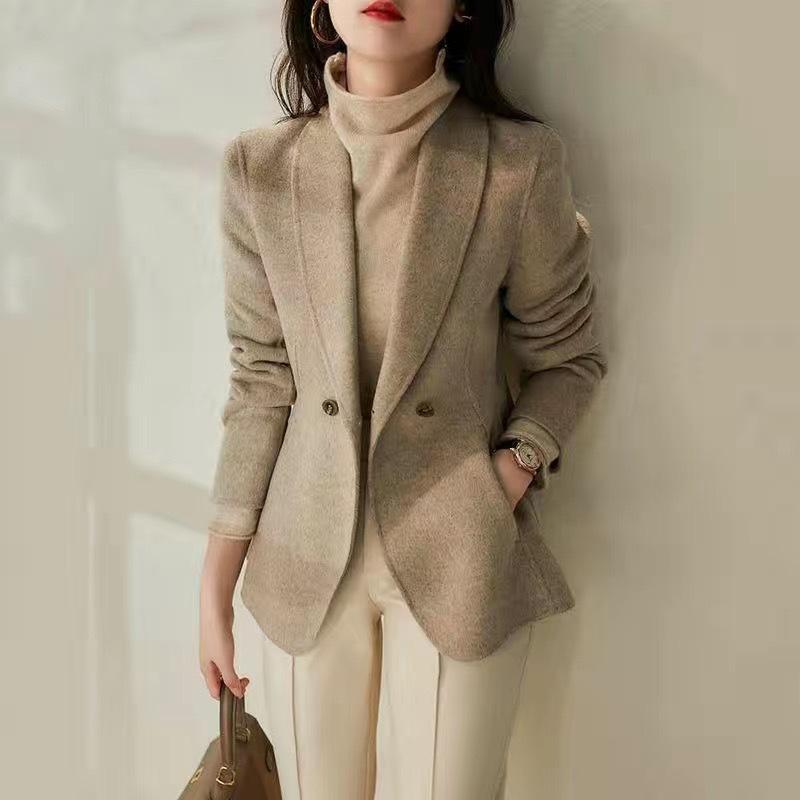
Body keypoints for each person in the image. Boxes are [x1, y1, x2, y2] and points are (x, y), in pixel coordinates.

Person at [199, 1, 608, 797]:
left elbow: (567, 357)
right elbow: (261, 378)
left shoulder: (517, 164)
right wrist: (214, 588)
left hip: (458, 547)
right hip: (302, 558)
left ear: (463, 7)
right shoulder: (261, 168)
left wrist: (508, 473)